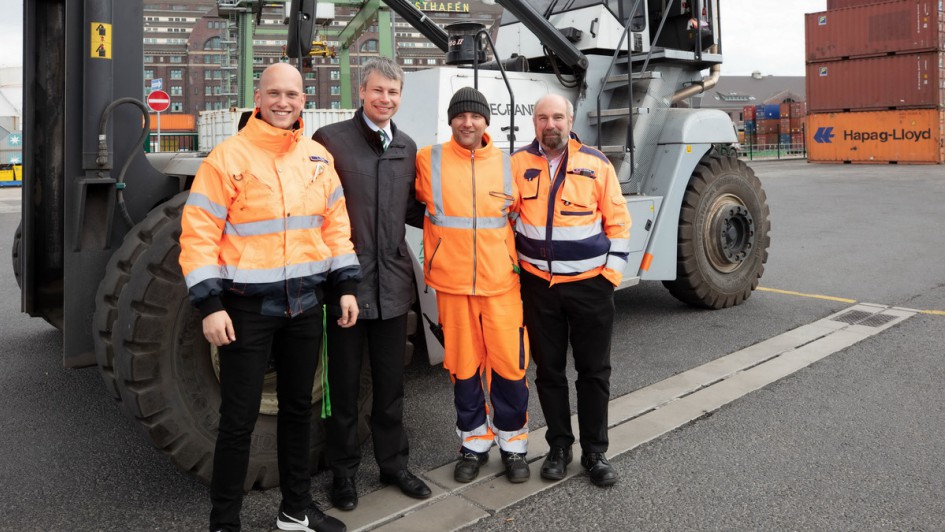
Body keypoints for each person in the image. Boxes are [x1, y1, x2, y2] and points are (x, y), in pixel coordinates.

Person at [179, 63, 357, 532]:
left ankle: (294, 511)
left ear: (304, 100)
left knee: (299, 411)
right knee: (238, 420)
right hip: (246, 310)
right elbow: (198, 235)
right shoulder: (227, 158)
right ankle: (224, 523)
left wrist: (346, 288)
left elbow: (335, 228)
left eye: (292, 94)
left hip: (304, 306)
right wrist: (209, 304)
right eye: (274, 93)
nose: (283, 102)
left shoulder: (318, 158)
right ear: (258, 97)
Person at [312, 57, 431, 510]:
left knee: (390, 384)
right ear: (361, 92)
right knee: (343, 387)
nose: (385, 99)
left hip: (395, 285)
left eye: (393, 93)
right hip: (346, 287)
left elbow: (411, 210)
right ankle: (343, 474)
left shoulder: (406, 146)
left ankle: (394, 464)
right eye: (378, 91)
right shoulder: (331, 142)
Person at [510, 93, 631, 488]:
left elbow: (619, 223)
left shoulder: (596, 163)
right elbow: (506, 220)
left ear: (571, 119)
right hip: (539, 288)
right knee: (548, 372)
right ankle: (559, 447)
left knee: (594, 372)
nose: (551, 125)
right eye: (543, 117)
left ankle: (595, 452)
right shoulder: (517, 165)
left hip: (590, 288)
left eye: (558, 117)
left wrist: (609, 277)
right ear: (534, 123)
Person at [415, 87, 531, 484]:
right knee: (463, 369)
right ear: (451, 120)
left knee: (510, 367)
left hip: (501, 285)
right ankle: (474, 444)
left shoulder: (507, 164)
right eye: (460, 116)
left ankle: (513, 446)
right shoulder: (427, 160)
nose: (468, 122)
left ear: (486, 121)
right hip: (453, 285)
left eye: (475, 116)